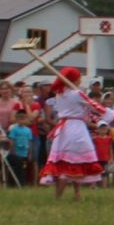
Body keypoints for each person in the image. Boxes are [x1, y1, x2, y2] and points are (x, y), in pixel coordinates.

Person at [39, 68, 107, 199]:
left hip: (63, 130)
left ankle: (76, 194)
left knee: (68, 161)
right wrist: (109, 114)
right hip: (76, 129)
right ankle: (60, 196)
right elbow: (94, 105)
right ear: (74, 80)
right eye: (79, 77)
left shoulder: (60, 94)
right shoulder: (77, 94)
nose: (80, 80)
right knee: (73, 161)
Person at [6, 109, 34, 186]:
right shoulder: (14, 129)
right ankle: (13, 183)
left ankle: (23, 182)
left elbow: (30, 141)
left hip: (25, 152)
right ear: (16, 119)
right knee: (16, 168)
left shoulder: (28, 130)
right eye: (19, 119)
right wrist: (12, 151)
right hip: (16, 152)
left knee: (24, 168)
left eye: (23, 118)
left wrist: (30, 153)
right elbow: (12, 140)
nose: (22, 120)